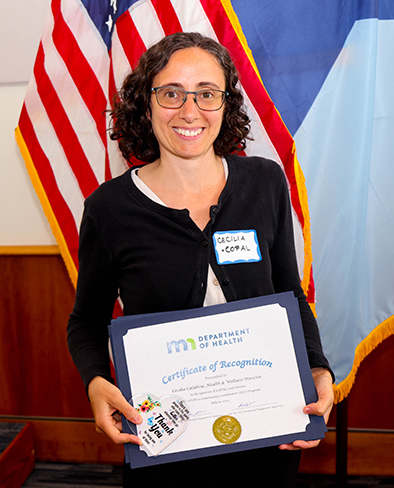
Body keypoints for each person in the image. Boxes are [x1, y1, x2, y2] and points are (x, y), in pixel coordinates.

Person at [67, 32, 334, 487]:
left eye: (207, 94)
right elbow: (86, 320)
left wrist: (318, 368)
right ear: (144, 103)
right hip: (167, 446)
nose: (190, 112)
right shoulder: (109, 209)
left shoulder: (264, 181)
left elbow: (288, 293)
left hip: (266, 431)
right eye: (171, 93)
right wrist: (95, 382)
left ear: (226, 103)